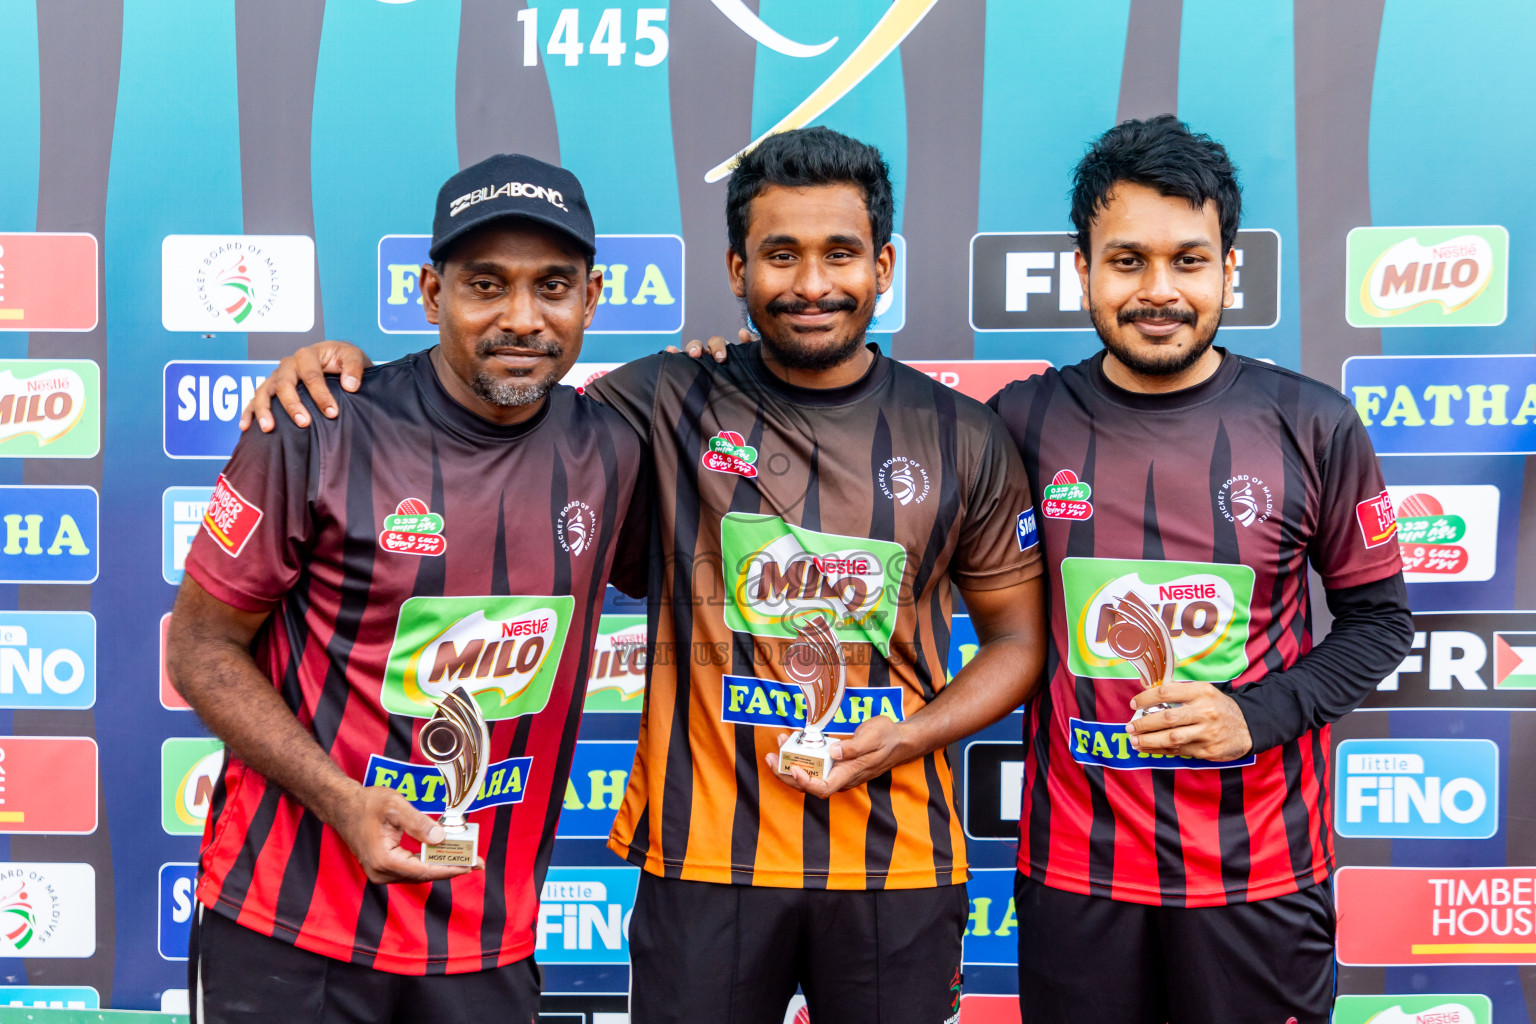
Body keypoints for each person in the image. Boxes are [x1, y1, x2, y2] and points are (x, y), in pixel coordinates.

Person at [243, 126, 1049, 1024]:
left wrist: (904, 737)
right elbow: (486, 400)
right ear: (737, 269)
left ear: (885, 264)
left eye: (840, 254)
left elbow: (1018, 643)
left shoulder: (964, 434)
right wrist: (331, 370)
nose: (812, 285)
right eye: (781, 255)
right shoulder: (660, 399)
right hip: (700, 865)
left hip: (899, 865)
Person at [167, 153, 649, 1024]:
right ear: (431, 294)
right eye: (485, 285)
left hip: (486, 938)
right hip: (291, 924)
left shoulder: (615, 450)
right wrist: (343, 802)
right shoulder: (315, 427)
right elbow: (199, 648)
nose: (521, 318)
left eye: (553, 286)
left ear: (594, 296)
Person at [985, 116, 1415, 1024]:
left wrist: (1252, 716)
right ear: (1082, 270)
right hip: (1075, 876)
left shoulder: (1314, 423)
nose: (1158, 290)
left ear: (1230, 269)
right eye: (1127, 259)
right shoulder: (1019, 423)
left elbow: (1381, 623)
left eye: (1188, 260)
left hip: (1260, 875)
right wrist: (736, 374)